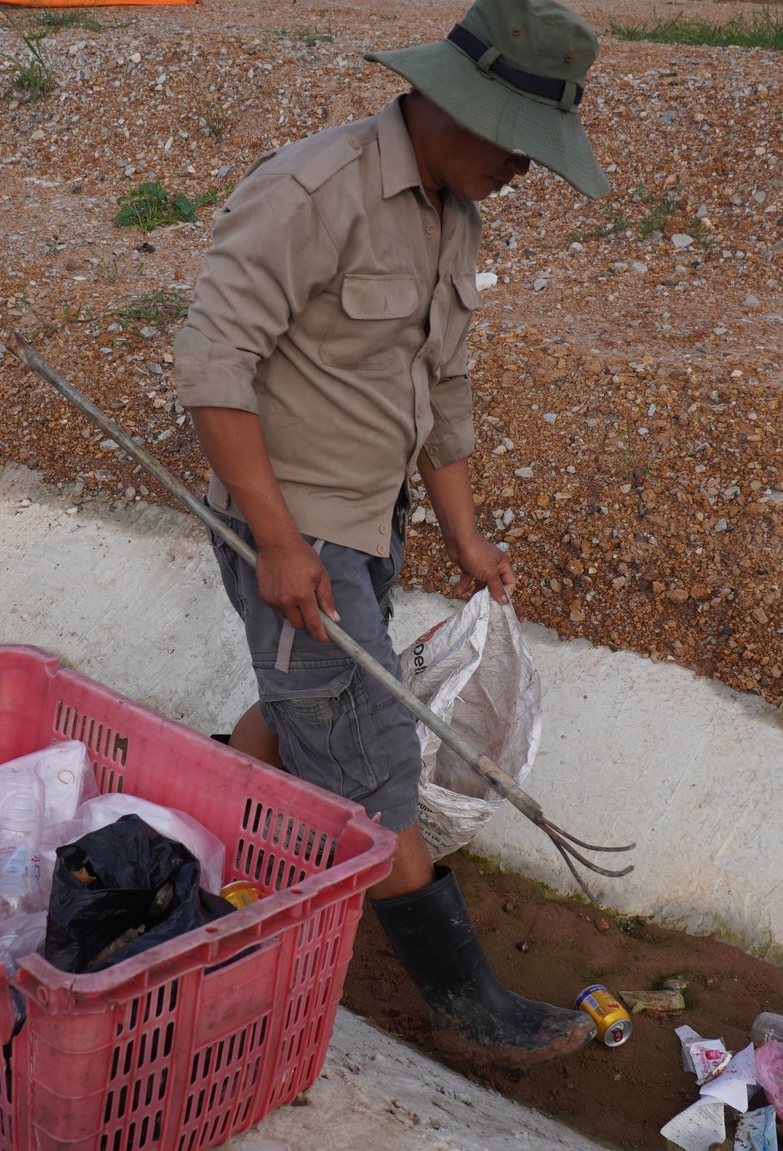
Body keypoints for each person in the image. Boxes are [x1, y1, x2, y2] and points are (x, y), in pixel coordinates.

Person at [173, 0, 608, 1063]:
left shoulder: (455, 210)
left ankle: (195, 842)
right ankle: (467, 1009)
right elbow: (211, 365)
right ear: (460, 109)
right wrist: (277, 544)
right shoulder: (312, 191)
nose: (524, 172)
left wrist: (465, 539)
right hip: (298, 522)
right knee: (370, 762)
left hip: (373, 520)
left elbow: (441, 387)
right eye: (520, 149)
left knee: (306, 698)